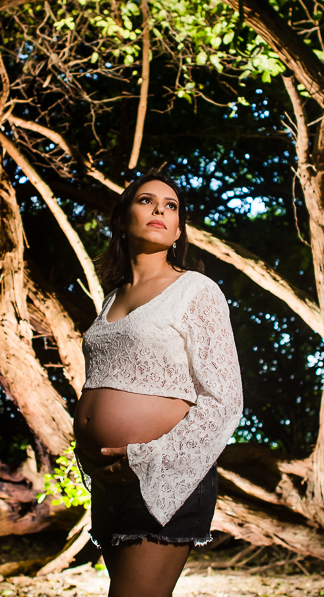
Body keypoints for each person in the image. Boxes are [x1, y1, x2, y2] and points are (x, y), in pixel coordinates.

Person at [75, 170, 243, 597]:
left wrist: (148, 458)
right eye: (147, 201)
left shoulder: (195, 290)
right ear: (122, 218)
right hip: (109, 480)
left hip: (165, 476)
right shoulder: (111, 298)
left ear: (178, 230)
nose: (160, 211)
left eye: (171, 207)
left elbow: (225, 400)